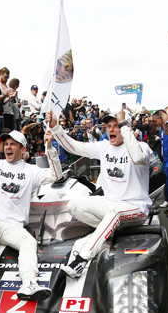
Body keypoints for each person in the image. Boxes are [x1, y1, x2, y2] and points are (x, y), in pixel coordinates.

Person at [50, 110, 151, 278]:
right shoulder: (104, 146)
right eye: (108, 126)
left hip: (136, 208)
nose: (111, 130)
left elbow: (138, 158)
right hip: (110, 203)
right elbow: (74, 147)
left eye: (116, 126)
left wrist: (126, 127)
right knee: (74, 205)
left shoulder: (142, 147)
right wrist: (55, 127)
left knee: (114, 213)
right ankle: (107, 232)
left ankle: (82, 259)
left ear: (126, 127)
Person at [0, 125, 62, 301]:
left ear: (23, 149)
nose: (8, 147)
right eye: (6, 144)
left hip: (13, 227)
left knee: (29, 242)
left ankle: (29, 283)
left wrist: (50, 148)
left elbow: (56, 175)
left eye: (13, 144)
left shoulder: (31, 171)